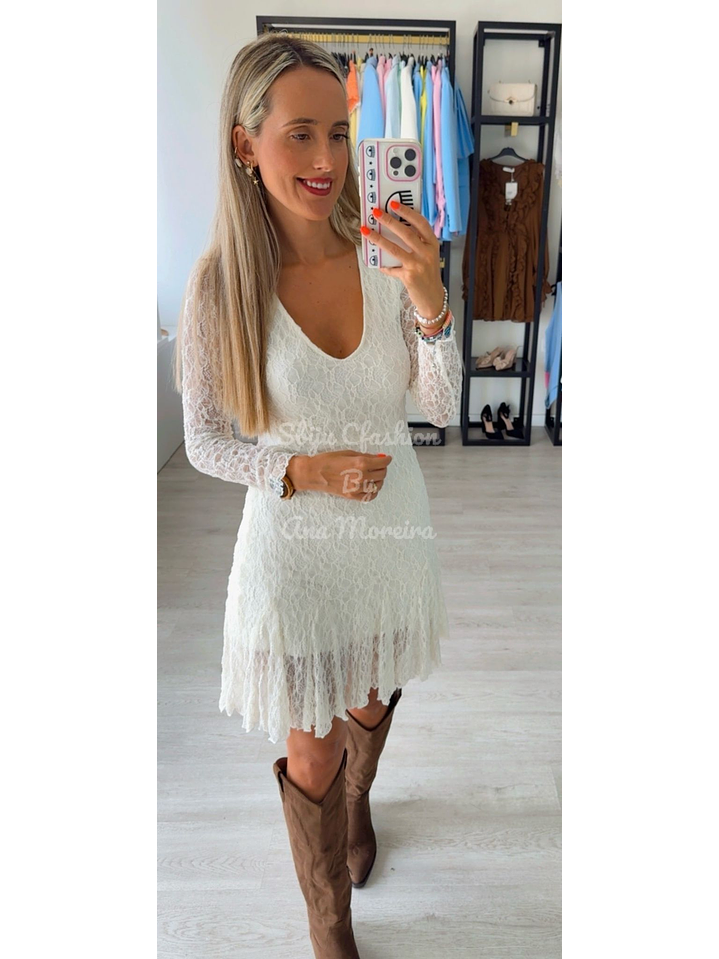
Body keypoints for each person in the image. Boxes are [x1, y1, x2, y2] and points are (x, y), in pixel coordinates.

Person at [173, 32, 463, 959]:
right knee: (311, 744)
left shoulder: (385, 254)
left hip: (389, 535)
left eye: (338, 133)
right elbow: (204, 442)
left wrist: (432, 300)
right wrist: (299, 470)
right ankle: (328, 916)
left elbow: (439, 407)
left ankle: (358, 799)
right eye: (299, 133)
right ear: (244, 143)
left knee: (369, 701)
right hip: (292, 547)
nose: (326, 159)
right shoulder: (221, 286)